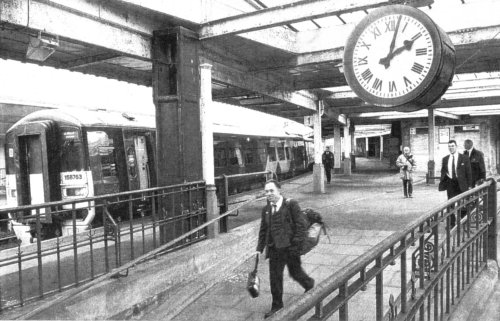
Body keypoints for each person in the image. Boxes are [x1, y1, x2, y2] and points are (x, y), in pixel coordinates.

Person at [256, 179, 314, 318]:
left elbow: (301, 227)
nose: (268, 194)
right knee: (274, 278)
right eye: (266, 191)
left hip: (290, 248)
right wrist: (259, 248)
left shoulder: (291, 204)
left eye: (271, 190)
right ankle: (277, 306)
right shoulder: (266, 210)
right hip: (274, 249)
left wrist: (296, 246)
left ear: (279, 190)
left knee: (295, 272)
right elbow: (263, 230)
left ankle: (309, 284)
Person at [438, 140, 472, 226]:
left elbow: (469, 173)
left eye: (452, 146)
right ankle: (451, 224)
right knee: (450, 203)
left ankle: (463, 222)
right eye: (449, 146)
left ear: (456, 146)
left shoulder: (464, 158)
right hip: (451, 184)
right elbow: (443, 171)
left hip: (461, 183)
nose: (451, 148)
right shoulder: (445, 159)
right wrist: (443, 181)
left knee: (463, 203)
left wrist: (470, 186)